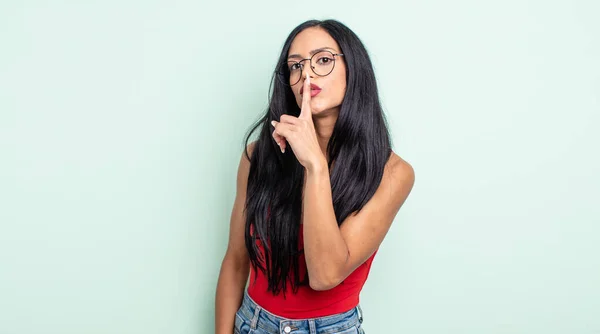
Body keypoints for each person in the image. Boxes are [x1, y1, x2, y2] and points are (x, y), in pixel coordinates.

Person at [215, 19, 415, 334]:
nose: (306, 74)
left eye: (323, 60)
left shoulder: (391, 173)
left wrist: (315, 166)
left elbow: (325, 276)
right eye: (295, 66)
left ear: (354, 70)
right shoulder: (258, 157)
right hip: (252, 324)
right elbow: (236, 260)